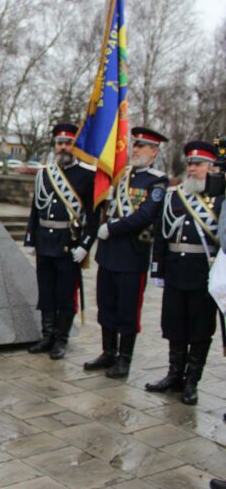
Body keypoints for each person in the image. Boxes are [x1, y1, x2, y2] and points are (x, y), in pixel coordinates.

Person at [84, 127, 169, 378]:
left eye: (142, 146)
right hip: (108, 254)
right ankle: (108, 352)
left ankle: (124, 359)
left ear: (154, 152)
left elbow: (145, 215)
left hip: (132, 255)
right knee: (106, 306)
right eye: (135, 145)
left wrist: (111, 228)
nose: (136, 149)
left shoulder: (157, 181)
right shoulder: (119, 176)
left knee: (128, 310)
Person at [147, 141, 222, 405]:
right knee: (174, 325)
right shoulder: (174, 195)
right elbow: (161, 235)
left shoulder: (220, 198)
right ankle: (174, 375)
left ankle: (192, 381)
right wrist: (158, 268)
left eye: (198, 164)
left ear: (211, 167)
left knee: (200, 330)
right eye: (190, 164)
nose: (192, 169)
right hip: (176, 272)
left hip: (204, 274)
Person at [24, 123, 98, 359]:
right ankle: (47, 335)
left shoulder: (88, 176)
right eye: (60, 143)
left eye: (68, 143)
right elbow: (36, 210)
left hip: (69, 245)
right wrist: (31, 238)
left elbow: (93, 217)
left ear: (75, 146)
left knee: (65, 295)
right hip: (45, 242)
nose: (63, 147)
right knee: (46, 292)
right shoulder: (44, 174)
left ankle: (61, 339)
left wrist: (85, 245)